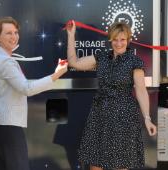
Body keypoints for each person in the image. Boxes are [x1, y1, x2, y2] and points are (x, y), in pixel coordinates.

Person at [66, 20, 157, 170]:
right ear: (110, 39)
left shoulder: (134, 61)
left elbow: (141, 90)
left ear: (128, 40)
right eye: (115, 39)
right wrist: (71, 36)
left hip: (124, 118)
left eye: (122, 39)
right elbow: (74, 63)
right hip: (99, 116)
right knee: (95, 165)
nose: (119, 43)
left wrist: (147, 118)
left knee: (120, 165)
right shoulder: (101, 57)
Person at [0, 16, 68, 170]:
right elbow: (27, 89)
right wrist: (55, 75)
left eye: (16, 32)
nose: (14, 37)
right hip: (9, 126)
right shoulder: (5, 61)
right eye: (8, 33)